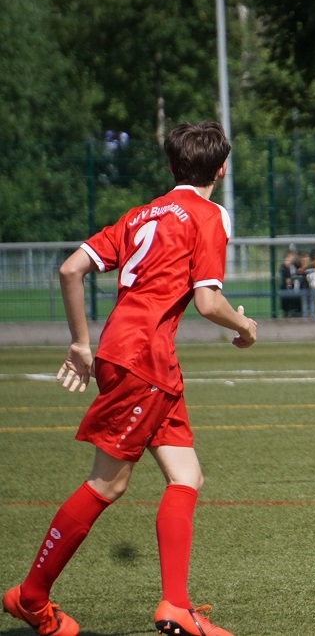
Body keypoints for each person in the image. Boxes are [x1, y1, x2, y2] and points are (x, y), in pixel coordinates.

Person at [2, 121, 257, 636]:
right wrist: (245, 326)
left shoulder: (142, 213)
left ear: (171, 165)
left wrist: (81, 343)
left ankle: (175, 605)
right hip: (144, 359)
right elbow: (208, 302)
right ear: (223, 169)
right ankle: (30, 596)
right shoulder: (209, 214)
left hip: (135, 355)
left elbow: (70, 269)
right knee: (108, 481)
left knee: (186, 476)